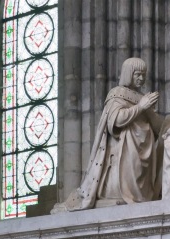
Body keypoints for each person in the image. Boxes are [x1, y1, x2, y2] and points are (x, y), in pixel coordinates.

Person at [64, 57, 163, 210]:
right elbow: (116, 120)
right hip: (125, 152)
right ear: (129, 74)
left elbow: (158, 128)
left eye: (143, 74)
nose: (141, 78)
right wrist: (141, 107)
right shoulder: (118, 93)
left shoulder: (143, 98)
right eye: (137, 74)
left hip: (143, 152)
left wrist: (150, 111)